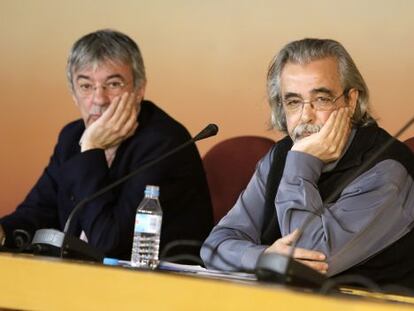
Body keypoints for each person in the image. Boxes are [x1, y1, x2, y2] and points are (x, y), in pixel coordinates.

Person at [201, 38, 414, 288]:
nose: (305, 115)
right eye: (293, 102)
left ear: (351, 100)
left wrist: (302, 164)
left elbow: (309, 259)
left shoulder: (387, 171)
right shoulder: (281, 156)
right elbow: (215, 245)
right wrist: (262, 258)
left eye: (321, 99)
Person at [0, 29, 213, 260]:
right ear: (73, 93)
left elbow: (108, 244)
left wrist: (92, 149)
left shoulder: (164, 143)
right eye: (86, 86)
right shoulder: (71, 137)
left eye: (113, 84)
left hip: (155, 286)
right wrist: (3, 233)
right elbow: (37, 212)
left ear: (139, 90)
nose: (99, 100)